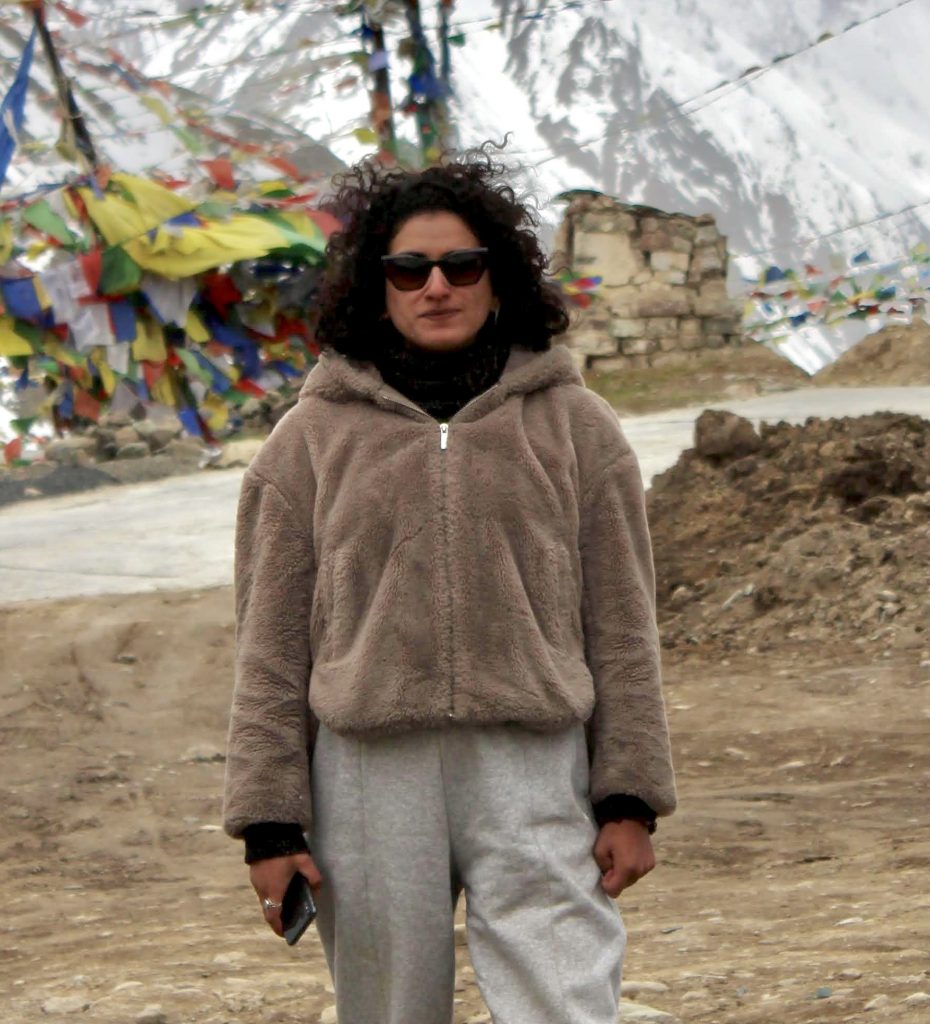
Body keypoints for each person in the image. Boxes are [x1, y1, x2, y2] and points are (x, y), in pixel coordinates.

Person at [223, 143, 677, 1024]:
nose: (437, 286)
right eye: (409, 268)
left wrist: (630, 796)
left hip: (534, 764)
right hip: (366, 775)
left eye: (461, 264)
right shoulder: (307, 445)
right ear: (376, 286)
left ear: (498, 277)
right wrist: (269, 824)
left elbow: (624, 624)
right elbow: (269, 649)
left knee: (565, 1000)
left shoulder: (578, 429)